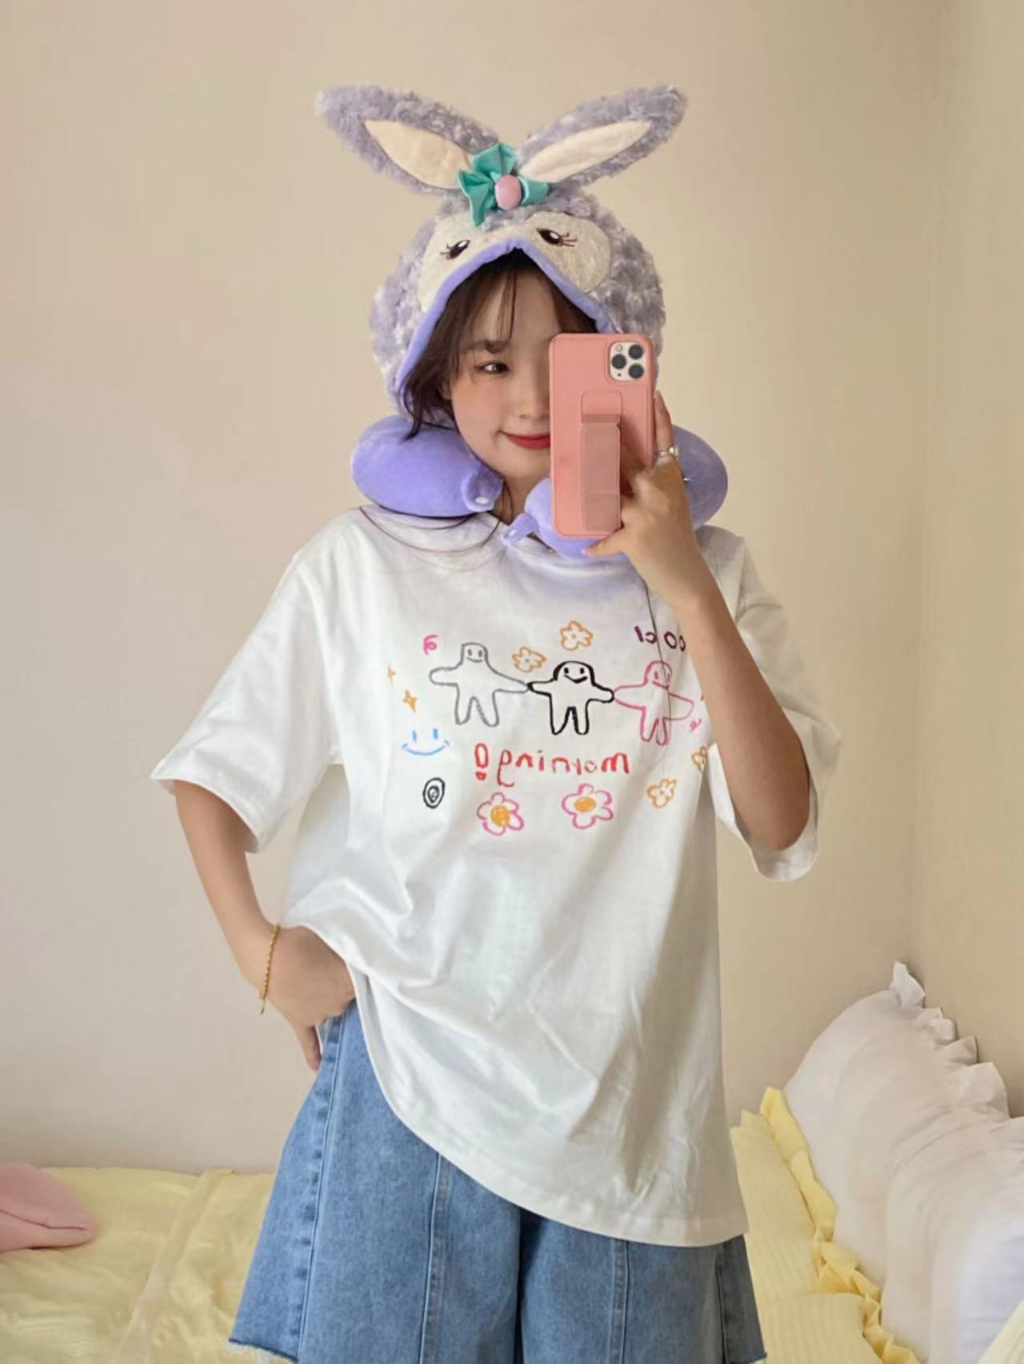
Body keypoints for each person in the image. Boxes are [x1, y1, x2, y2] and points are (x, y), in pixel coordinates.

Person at [152, 83, 841, 1364]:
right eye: (486, 359)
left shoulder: (711, 573)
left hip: (630, 1112)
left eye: (565, 353)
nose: (527, 394)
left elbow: (781, 821)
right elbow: (212, 775)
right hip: (407, 1080)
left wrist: (683, 585)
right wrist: (261, 950)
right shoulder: (363, 565)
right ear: (433, 375)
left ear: (626, 360)